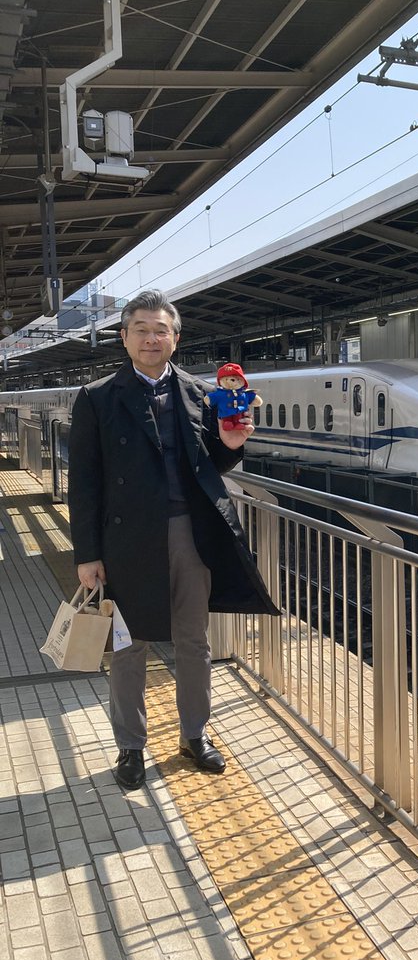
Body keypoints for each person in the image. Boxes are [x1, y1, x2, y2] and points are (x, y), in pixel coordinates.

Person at [68, 289, 278, 791]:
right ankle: (130, 746)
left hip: (190, 532)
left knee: (193, 640)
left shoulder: (198, 393)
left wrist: (231, 447)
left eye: (160, 329)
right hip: (126, 541)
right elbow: (85, 481)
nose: (150, 337)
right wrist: (87, 555)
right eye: (140, 328)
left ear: (175, 339)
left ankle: (194, 734)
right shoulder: (97, 398)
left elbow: (209, 465)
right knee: (127, 646)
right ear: (123, 337)